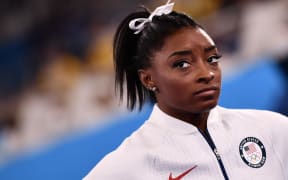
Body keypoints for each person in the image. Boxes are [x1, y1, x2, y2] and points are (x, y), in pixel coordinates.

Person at [84, 1, 288, 179]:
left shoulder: (273, 130)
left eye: (212, 59)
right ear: (148, 79)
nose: (206, 73)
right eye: (182, 64)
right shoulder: (127, 166)